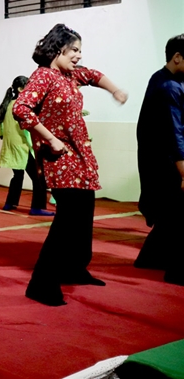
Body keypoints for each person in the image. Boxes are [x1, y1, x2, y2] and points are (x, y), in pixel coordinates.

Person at [13, 23, 127, 306]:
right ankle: (41, 284)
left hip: (80, 154)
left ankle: (75, 268)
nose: (79, 55)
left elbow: (94, 75)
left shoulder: (70, 75)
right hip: (61, 155)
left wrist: (115, 90)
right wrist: (50, 139)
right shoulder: (43, 76)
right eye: (74, 50)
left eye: (79, 50)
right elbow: (21, 109)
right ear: (58, 49)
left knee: (84, 215)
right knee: (67, 221)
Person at [134, 33, 183, 286]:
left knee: (169, 217)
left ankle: (150, 259)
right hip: (166, 163)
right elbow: (175, 133)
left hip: (158, 162)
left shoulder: (161, 78)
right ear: (177, 57)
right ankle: (178, 271)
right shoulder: (169, 87)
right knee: (178, 216)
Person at [0, 76, 53, 216]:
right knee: (38, 178)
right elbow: (29, 127)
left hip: (12, 146)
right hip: (24, 147)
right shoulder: (22, 106)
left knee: (18, 175)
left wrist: (2, 134)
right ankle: (36, 207)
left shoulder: (8, 104)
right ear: (20, 89)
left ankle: (10, 203)